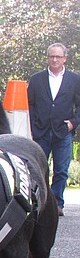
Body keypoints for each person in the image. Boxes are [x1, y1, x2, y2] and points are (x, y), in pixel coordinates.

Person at [27, 43, 80, 217]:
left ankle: (57, 203)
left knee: (61, 170)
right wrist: (33, 126)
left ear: (65, 58)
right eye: (52, 56)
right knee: (37, 169)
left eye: (58, 56)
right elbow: (30, 105)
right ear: (47, 58)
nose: (55, 59)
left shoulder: (74, 80)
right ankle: (38, 203)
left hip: (62, 132)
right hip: (41, 131)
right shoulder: (36, 79)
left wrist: (73, 123)